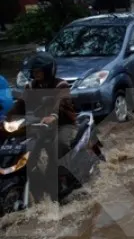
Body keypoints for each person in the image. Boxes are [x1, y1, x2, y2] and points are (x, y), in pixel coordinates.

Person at [5, 52, 79, 200]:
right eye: (34, 71)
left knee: (60, 145)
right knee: (21, 150)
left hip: (63, 124)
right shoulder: (31, 87)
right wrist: (6, 119)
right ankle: (36, 184)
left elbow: (62, 104)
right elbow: (20, 105)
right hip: (38, 125)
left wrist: (53, 116)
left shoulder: (61, 85)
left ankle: (62, 180)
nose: (35, 74)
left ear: (48, 70)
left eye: (39, 71)